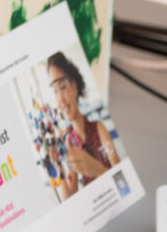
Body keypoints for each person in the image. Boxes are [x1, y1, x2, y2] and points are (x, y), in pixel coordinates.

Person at [46, 51, 119, 196]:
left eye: (63, 87)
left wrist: (95, 168)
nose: (60, 99)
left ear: (74, 87)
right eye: (55, 91)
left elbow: (122, 180)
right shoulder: (69, 145)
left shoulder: (99, 129)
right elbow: (69, 200)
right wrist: (58, 169)